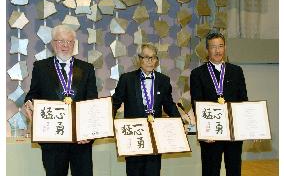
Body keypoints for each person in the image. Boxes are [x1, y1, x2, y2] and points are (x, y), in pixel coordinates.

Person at [24, 24, 98, 176]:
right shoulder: (41, 67)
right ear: (53, 44)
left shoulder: (87, 68)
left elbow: (92, 102)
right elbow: (33, 95)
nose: (65, 45)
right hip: (53, 140)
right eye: (60, 41)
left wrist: (89, 132)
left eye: (69, 41)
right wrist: (29, 103)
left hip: (81, 139)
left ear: (74, 44)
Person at [112, 43, 180, 176]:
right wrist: (106, 122)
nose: (150, 61)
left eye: (153, 58)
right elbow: (115, 103)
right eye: (146, 57)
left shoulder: (163, 80)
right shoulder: (127, 79)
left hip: (155, 136)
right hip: (133, 135)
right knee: (134, 172)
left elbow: (169, 105)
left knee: (153, 172)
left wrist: (179, 123)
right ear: (139, 59)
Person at [190, 31, 248, 176]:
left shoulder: (236, 71)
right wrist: (204, 130)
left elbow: (244, 100)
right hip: (211, 134)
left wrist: (250, 127)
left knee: (234, 169)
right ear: (207, 50)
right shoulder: (198, 73)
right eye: (213, 47)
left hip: (233, 131)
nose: (217, 50)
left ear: (225, 48)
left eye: (220, 46)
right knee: (210, 170)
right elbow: (196, 103)